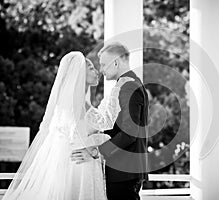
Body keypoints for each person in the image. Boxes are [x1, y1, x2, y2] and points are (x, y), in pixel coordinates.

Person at [3, 51, 132, 200]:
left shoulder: (69, 103)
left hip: (71, 166)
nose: (97, 71)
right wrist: (117, 90)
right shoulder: (78, 104)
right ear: (79, 75)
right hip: (81, 167)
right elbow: (106, 121)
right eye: (90, 68)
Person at [71, 42, 149, 200]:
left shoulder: (128, 87)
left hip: (125, 169)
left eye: (104, 64)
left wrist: (97, 150)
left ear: (116, 62)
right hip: (123, 169)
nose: (101, 70)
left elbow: (129, 133)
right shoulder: (128, 84)